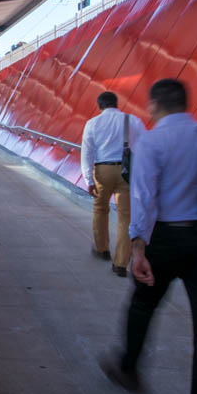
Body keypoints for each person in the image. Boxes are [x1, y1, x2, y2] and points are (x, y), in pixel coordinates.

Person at [100, 78, 197, 394]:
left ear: (155, 105)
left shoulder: (153, 141)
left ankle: (129, 369)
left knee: (143, 304)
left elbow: (144, 197)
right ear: (186, 103)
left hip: (169, 237)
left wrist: (139, 248)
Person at [80, 91, 146, 276]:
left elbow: (87, 153)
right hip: (127, 171)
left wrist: (88, 179)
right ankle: (121, 264)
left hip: (103, 171)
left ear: (100, 106)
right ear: (116, 104)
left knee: (100, 209)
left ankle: (102, 249)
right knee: (126, 217)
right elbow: (144, 147)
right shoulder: (133, 121)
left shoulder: (92, 123)